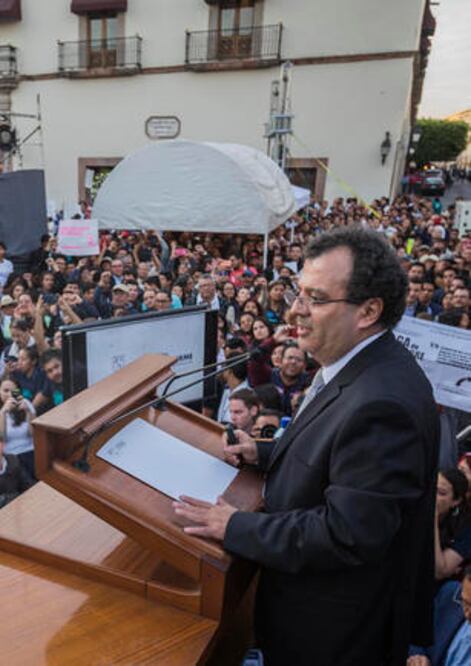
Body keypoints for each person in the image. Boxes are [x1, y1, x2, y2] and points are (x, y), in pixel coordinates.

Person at [174, 227, 439, 665]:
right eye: (299, 294)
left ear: (368, 310)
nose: (295, 311)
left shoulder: (383, 402)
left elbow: (348, 533)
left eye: (315, 299)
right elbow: (337, 456)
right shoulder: (356, 365)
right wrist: (262, 453)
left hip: (331, 639)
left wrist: (235, 526)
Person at [0, 378, 36, 479]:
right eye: (6, 391)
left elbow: (33, 433)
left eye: (14, 391)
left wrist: (29, 412)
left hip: (31, 452)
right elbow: (0, 438)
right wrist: (3, 413)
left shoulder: (26, 403)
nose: (10, 395)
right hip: (9, 456)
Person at [435, 469, 471, 582]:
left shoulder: (466, 528)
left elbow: (440, 571)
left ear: (456, 501)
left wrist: (433, 520)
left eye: (441, 493)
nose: (432, 496)